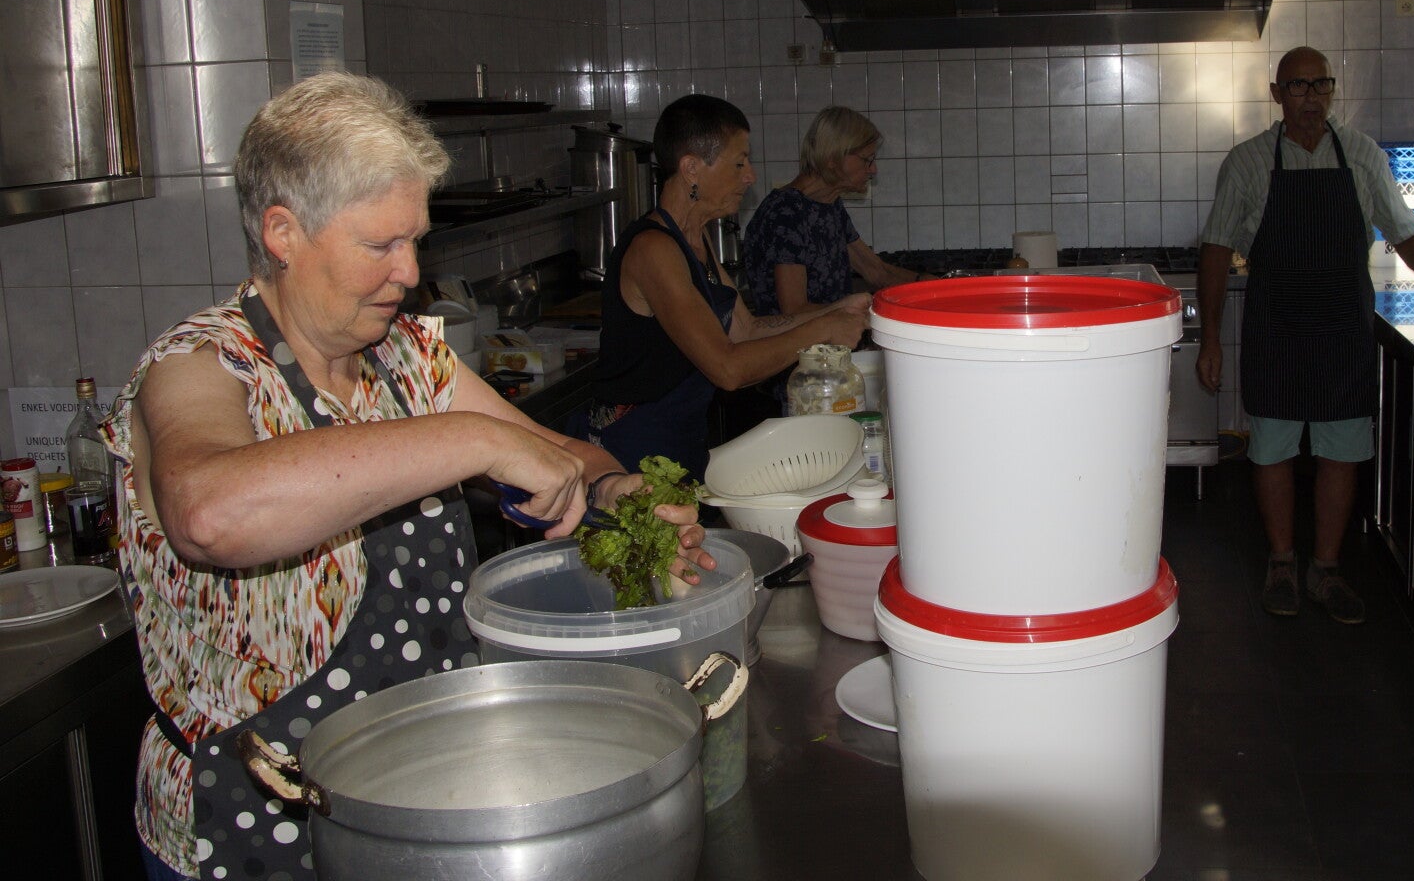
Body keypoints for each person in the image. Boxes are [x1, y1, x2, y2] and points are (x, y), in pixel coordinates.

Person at [107, 72, 715, 881]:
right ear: (284, 233)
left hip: (418, 809)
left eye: (416, 240)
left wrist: (615, 493)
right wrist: (471, 439)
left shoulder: (405, 359)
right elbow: (210, 515)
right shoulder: (197, 364)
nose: (408, 271)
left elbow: (558, 453)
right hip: (254, 828)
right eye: (380, 245)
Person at [1197, 46, 1414, 624]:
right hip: (1276, 328)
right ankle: (1281, 563)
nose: (1311, 97)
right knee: (1271, 450)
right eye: (1298, 86)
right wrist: (1211, 339)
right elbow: (1217, 249)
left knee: (1340, 452)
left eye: (1320, 84)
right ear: (1277, 95)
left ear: (1331, 90)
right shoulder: (1247, 162)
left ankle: (1325, 570)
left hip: (1343, 328)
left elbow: (1405, 229)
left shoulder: (1363, 155)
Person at [588, 94, 868, 476]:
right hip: (630, 455)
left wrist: (838, 309)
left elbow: (746, 330)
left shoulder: (695, 239)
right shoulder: (654, 249)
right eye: (739, 163)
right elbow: (728, 368)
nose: (750, 175)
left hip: (678, 446)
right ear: (691, 168)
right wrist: (824, 329)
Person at [738, 105, 928, 316]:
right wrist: (868, 315)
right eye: (867, 159)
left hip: (832, 336)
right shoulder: (786, 213)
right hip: (797, 339)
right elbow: (794, 310)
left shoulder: (828, 204)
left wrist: (932, 287)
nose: (873, 170)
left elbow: (875, 271)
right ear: (832, 158)